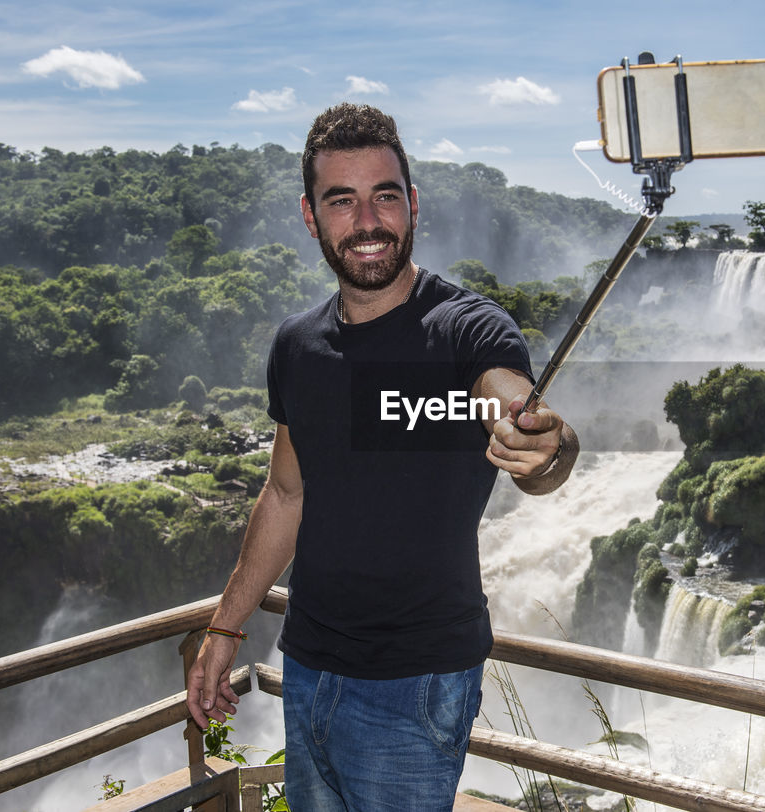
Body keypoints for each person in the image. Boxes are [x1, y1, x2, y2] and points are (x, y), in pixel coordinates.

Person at [185, 103, 579, 811]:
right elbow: (285, 495)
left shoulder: (463, 327)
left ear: (413, 205)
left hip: (416, 684)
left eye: (385, 196)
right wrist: (224, 625)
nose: (367, 222)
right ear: (311, 216)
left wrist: (544, 440)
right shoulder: (297, 347)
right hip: (307, 666)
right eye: (343, 201)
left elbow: (515, 405)